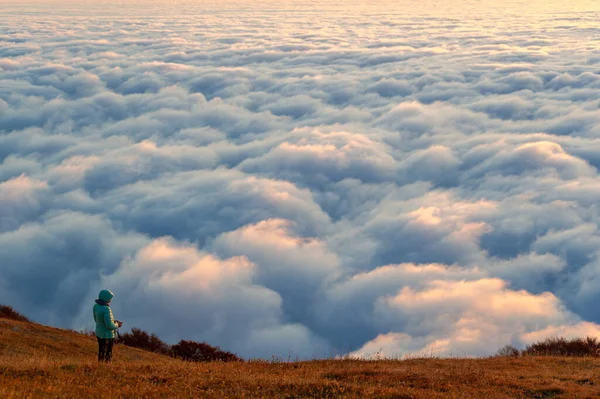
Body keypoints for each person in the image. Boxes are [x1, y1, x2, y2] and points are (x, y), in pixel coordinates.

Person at [93, 289, 123, 362]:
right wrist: (117, 324)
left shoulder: (96, 306)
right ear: (106, 299)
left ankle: (100, 366)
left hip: (99, 333)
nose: (110, 300)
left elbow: (96, 319)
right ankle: (106, 368)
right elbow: (109, 326)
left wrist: (112, 321)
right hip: (107, 335)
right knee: (108, 354)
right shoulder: (106, 309)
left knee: (101, 351)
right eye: (110, 299)